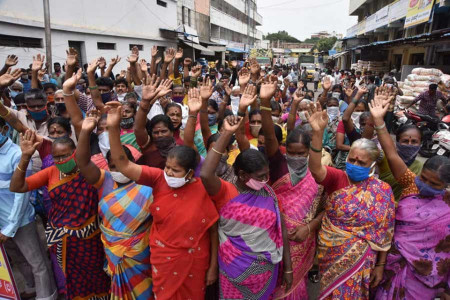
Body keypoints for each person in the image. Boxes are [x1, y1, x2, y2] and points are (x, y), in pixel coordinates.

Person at [105, 100, 219, 300]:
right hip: (162, 260)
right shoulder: (158, 180)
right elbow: (123, 165)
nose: (168, 172)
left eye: (175, 170)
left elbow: (212, 230)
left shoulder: (201, 189)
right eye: (167, 167)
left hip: (195, 261)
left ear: (190, 173)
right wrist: (113, 128)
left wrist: (213, 268)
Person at [307, 102, 395, 299]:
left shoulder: (382, 191)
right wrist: (317, 133)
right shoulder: (338, 177)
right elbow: (315, 168)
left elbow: (384, 232)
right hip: (333, 254)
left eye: (361, 162)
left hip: (363, 260)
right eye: (352, 160)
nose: (355, 165)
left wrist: (380, 265)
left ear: (372, 165)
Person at [200, 113, 293, 299]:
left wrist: (288, 268)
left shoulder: (268, 192)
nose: (266, 180)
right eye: (260, 176)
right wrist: (226, 133)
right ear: (242, 175)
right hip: (233, 269)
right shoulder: (225, 191)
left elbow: (280, 228)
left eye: (267, 174)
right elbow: (205, 175)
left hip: (266, 270)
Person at [368, 92, 450, 300]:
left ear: (445, 186)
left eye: (435, 184)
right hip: (391, 266)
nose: (427, 185)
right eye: (425, 178)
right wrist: (379, 120)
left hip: (425, 280)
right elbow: (391, 153)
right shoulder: (411, 184)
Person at [9, 131, 110, 300]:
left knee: (97, 276)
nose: (61, 161)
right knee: (73, 280)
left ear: (75, 152)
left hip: (90, 238)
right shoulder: (51, 172)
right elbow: (17, 187)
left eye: (65, 155)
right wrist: (25, 157)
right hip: (63, 240)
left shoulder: (89, 170)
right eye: (57, 157)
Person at [75, 112, 154, 299]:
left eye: (122, 165)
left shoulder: (148, 184)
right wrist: (85, 132)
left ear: (133, 163)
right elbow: (82, 162)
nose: (117, 170)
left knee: (145, 291)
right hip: (113, 250)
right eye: (112, 166)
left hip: (140, 252)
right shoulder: (104, 180)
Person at [259, 79, 324, 299]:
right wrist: (265, 102)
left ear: (309, 152)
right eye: (292, 153)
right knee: (274, 282)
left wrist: (310, 227)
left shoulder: (316, 173)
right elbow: (269, 136)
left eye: (301, 154)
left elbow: (326, 208)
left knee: (297, 285)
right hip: (275, 236)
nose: (296, 157)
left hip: (303, 239)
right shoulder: (278, 164)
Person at [0, 118, 57, 300]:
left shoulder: (18, 154)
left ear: (4, 128)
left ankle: (47, 296)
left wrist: (10, 227)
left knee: (37, 263)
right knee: (18, 259)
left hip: (20, 220)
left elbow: (22, 196)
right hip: (2, 222)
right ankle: (31, 289)